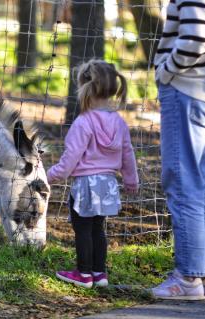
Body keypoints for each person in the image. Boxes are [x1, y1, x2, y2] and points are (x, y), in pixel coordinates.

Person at [47, 59, 139, 288]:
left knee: (83, 230)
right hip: (108, 184)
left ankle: (84, 274)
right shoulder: (119, 122)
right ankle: (100, 273)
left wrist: (51, 174)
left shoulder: (83, 122)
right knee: (98, 228)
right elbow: (128, 153)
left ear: (85, 87)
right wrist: (131, 180)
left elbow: (71, 157)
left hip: (86, 185)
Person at [152, 0, 205, 300]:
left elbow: (197, 39)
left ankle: (188, 277)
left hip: (187, 90)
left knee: (184, 182)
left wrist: (166, 71)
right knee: (204, 186)